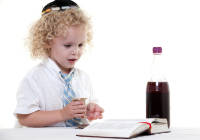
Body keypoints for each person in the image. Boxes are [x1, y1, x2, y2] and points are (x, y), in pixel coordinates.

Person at [14, 0, 104, 127]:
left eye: (80, 45)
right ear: (47, 42)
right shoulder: (35, 78)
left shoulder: (83, 78)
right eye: (68, 45)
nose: (76, 52)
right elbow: (25, 118)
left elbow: (84, 110)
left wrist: (89, 110)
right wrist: (62, 114)